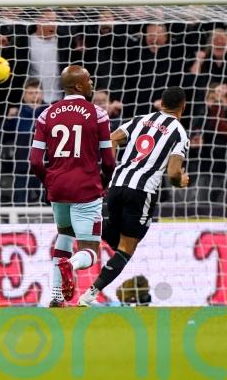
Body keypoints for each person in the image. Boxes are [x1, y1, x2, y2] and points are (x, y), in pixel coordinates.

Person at [78, 87, 190, 306]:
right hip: (142, 191)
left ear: (162, 103)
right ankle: (88, 295)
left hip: (117, 184)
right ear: (183, 107)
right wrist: (181, 181)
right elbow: (174, 173)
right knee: (126, 248)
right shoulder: (179, 132)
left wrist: (108, 171)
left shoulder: (141, 120)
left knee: (117, 240)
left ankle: (86, 221)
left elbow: (111, 138)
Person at [29, 65, 115, 307]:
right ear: (78, 85)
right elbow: (109, 161)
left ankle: (57, 297)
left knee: (65, 235)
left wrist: (50, 181)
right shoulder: (98, 114)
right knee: (90, 251)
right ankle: (71, 265)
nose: (91, 83)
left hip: (58, 189)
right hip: (86, 188)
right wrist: (104, 182)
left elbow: (35, 161)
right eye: (88, 80)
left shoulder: (46, 114)